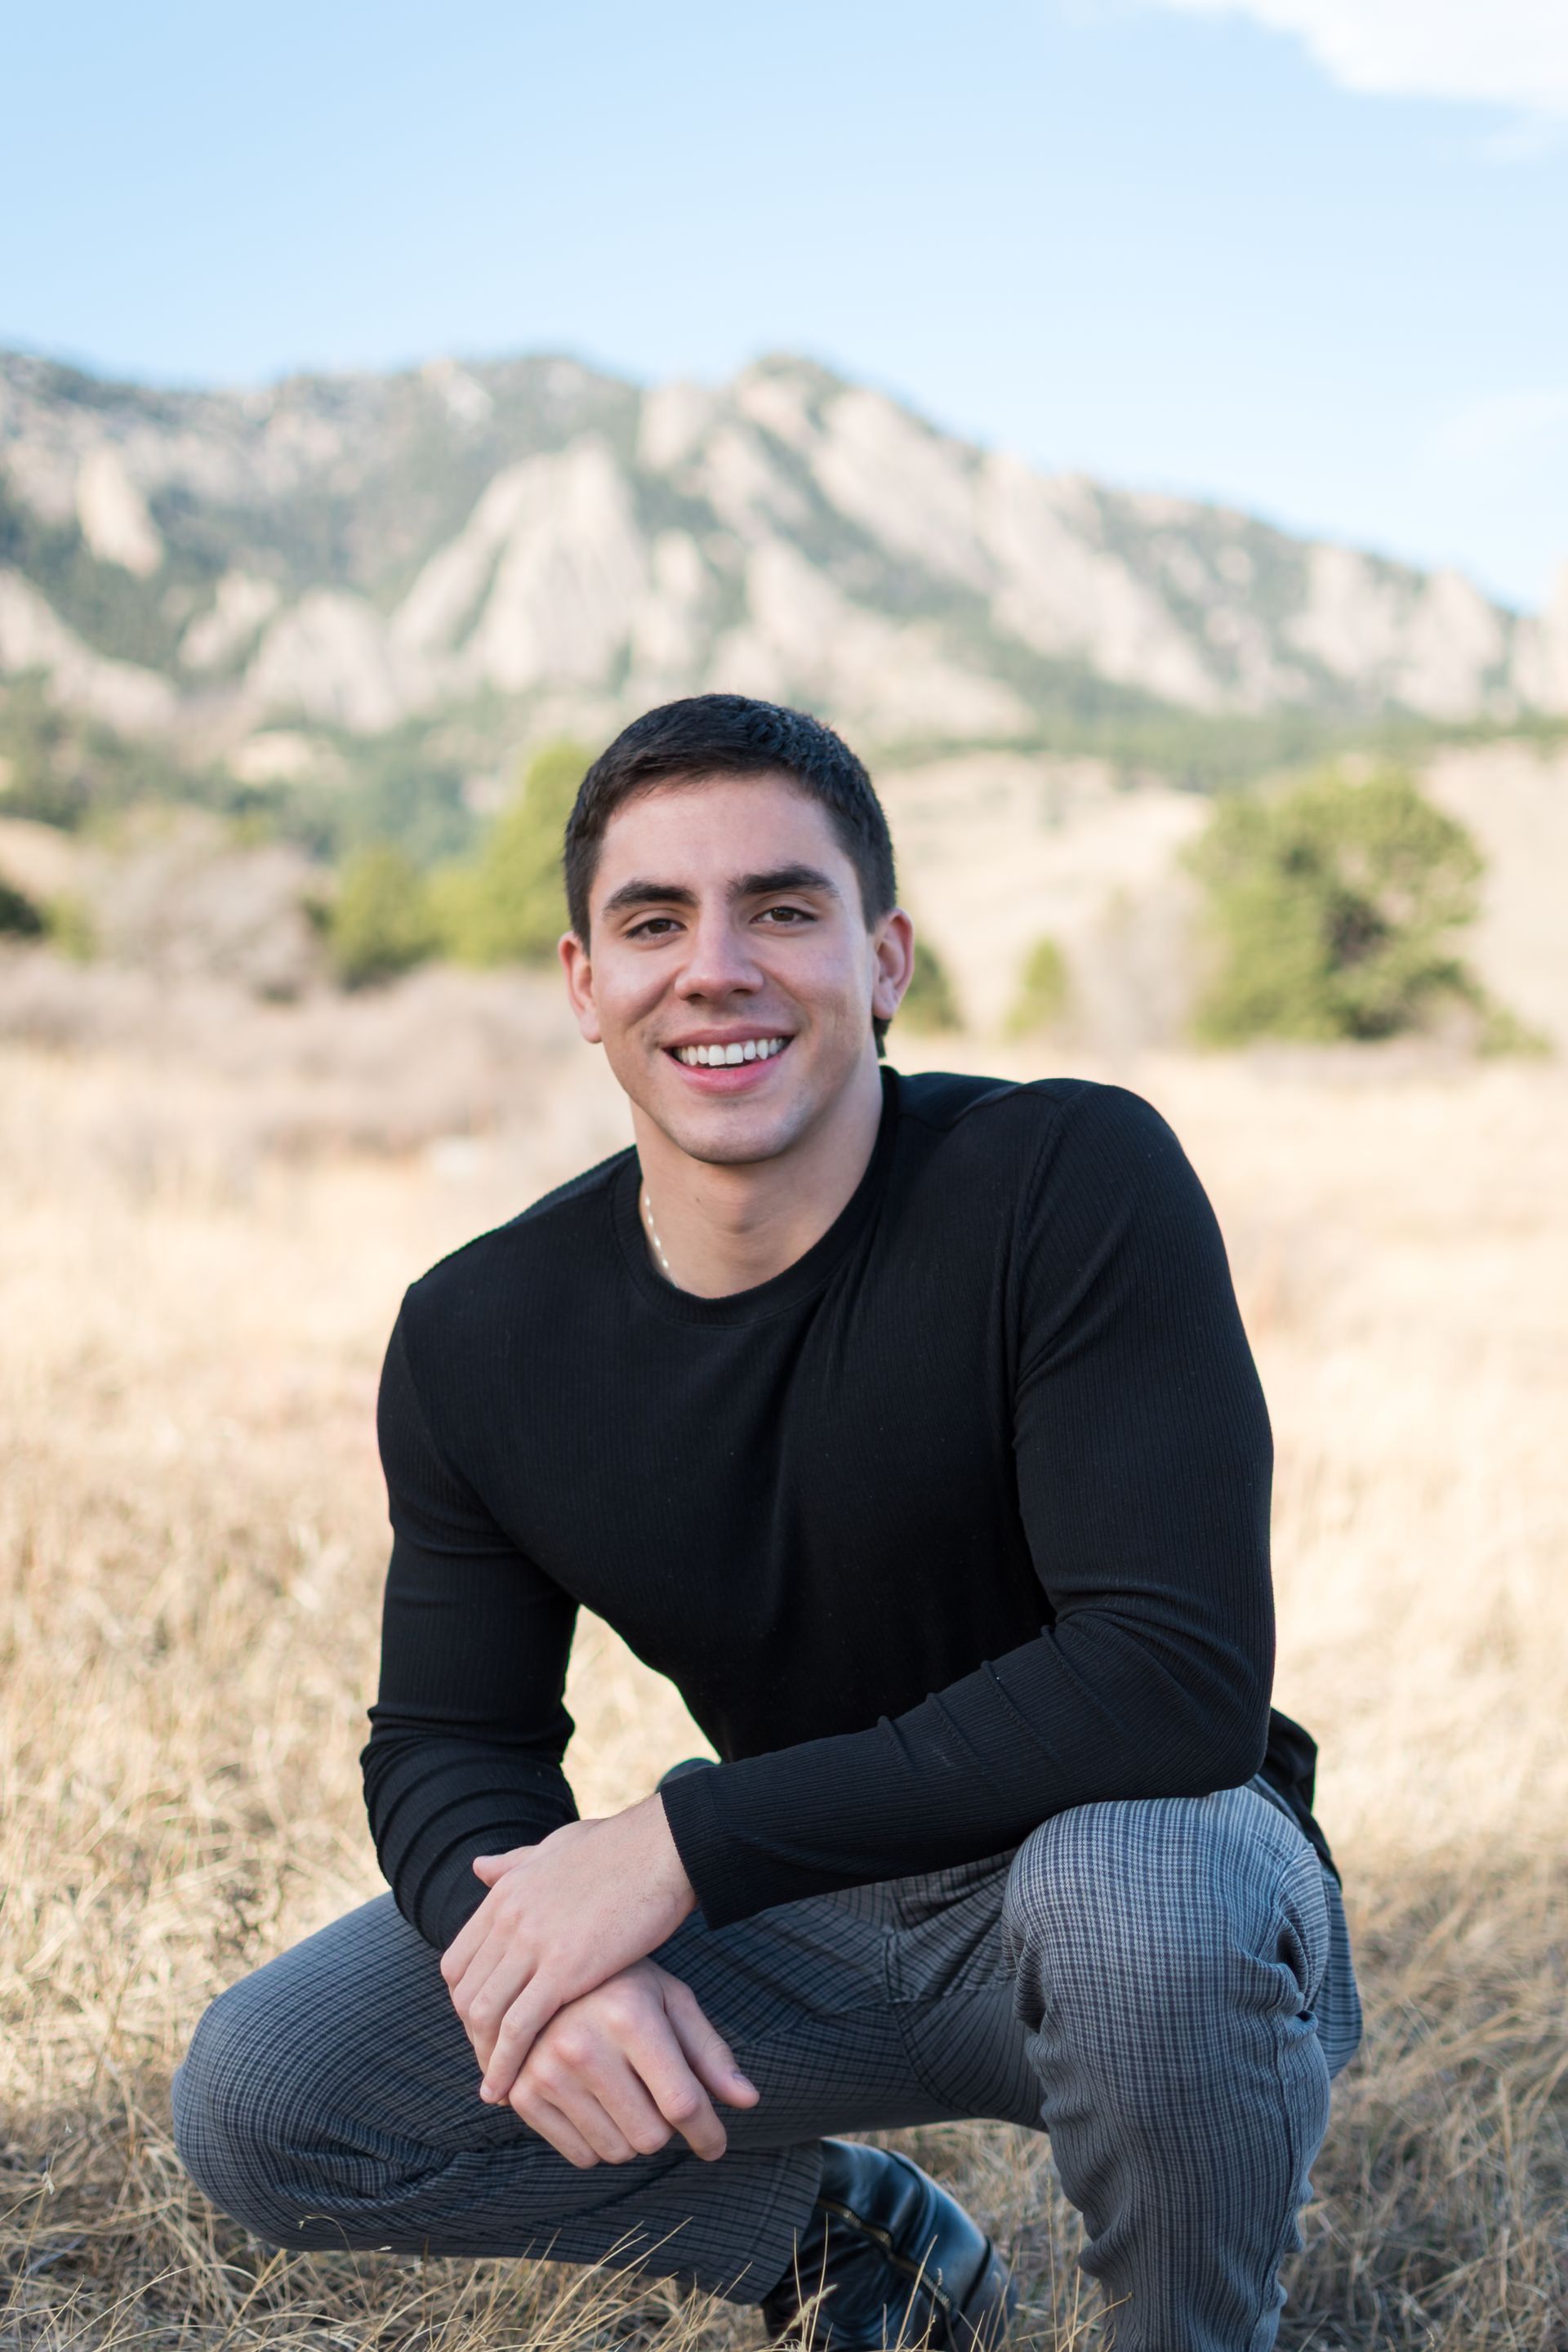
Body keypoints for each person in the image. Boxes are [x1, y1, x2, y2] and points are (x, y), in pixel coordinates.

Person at [174, 694, 1361, 2352]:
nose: (714, 966)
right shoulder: (481, 1332)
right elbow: (448, 1740)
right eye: (653, 920)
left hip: (1148, 1866)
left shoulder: (1068, 1175)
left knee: (1133, 1899)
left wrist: (670, 1848)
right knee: (274, 2092)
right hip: (808, 1915)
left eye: (781, 909)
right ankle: (853, 2253)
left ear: (884, 961)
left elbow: (1169, 1679)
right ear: (586, 986)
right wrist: (529, 1945)